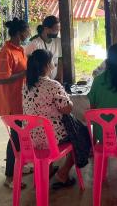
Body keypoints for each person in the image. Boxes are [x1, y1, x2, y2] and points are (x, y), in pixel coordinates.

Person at [23, 49, 77, 189]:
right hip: (50, 139)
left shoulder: (26, 85)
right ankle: (63, 174)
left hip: (30, 138)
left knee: (47, 126)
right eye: (52, 61)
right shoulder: (52, 85)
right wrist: (69, 101)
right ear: (47, 65)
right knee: (80, 137)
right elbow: (66, 109)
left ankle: (43, 175)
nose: (53, 64)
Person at [0, 17, 30, 189]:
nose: (29, 33)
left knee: (23, 136)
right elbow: (2, 80)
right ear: (19, 33)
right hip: (11, 103)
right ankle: (9, 177)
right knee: (15, 139)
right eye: (27, 30)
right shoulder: (6, 52)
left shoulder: (20, 50)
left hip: (21, 100)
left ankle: (20, 166)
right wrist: (24, 74)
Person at [24, 16, 63, 83]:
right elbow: (29, 66)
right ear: (46, 29)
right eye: (55, 30)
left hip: (54, 81)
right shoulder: (34, 44)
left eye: (58, 30)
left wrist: (59, 79)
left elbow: (60, 61)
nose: (57, 33)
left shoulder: (58, 41)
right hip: (39, 83)